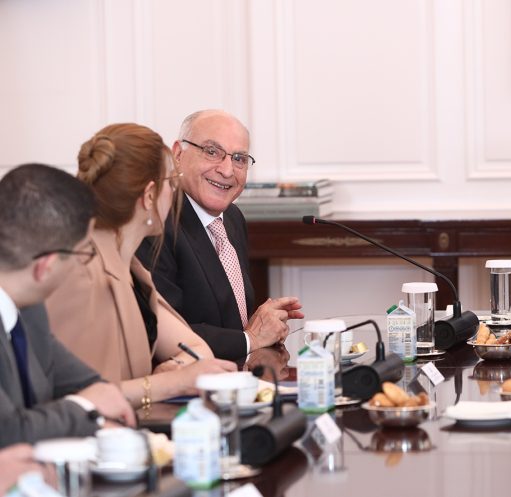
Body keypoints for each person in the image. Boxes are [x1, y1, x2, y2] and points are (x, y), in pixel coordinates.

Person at [46, 124, 237, 408]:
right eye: (171, 182)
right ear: (149, 196)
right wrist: (170, 382)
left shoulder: (131, 267)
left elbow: (198, 351)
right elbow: (77, 399)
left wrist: (172, 371)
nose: (175, 193)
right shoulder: (78, 273)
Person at [137, 110, 304, 360]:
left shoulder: (233, 218)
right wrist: (250, 338)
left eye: (239, 158)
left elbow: (224, 318)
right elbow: (160, 332)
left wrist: (262, 324)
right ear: (178, 154)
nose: (227, 170)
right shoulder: (156, 224)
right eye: (212, 152)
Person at [0, 164, 135, 445]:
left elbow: (90, 385)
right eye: (83, 253)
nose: (81, 264)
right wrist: (85, 407)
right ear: (46, 267)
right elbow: (8, 432)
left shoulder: (30, 310)